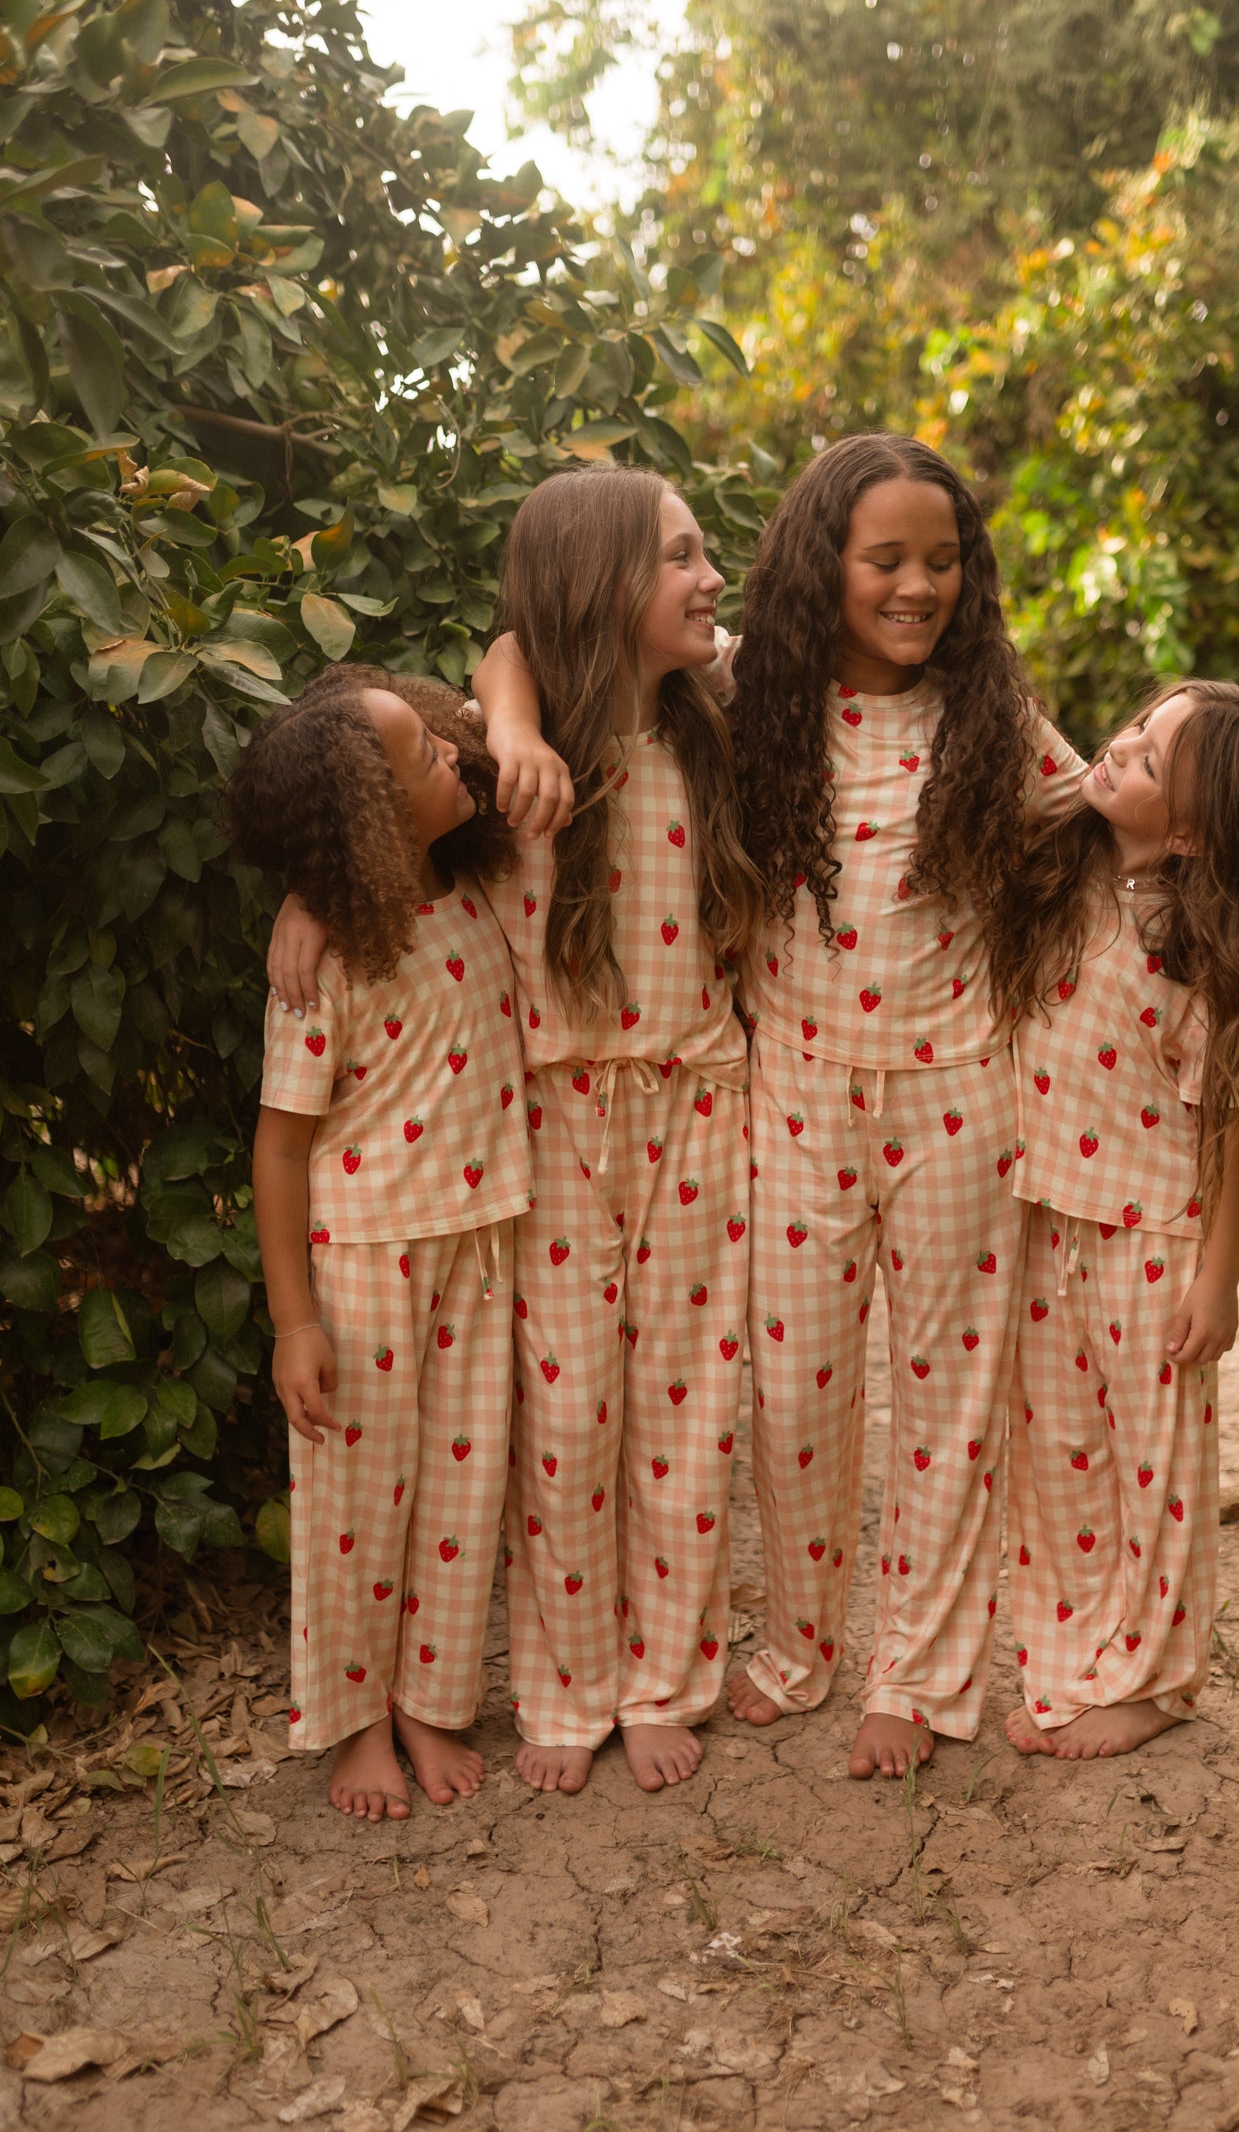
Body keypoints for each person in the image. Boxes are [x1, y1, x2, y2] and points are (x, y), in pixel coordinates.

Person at [471, 434, 1088, 1780]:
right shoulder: (744, 689)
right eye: (886, 559)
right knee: (793, 1400)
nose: (917, 585)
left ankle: (917, 1678)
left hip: (958, 1094)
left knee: (948, 1399)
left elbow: (1104, 815)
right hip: (791, 1094)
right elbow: (524, 645)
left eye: (942, 561)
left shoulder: (993, 721)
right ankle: (801, 1645)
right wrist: (504, 731)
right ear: (823, 567)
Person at [269, 466, 762, 1797]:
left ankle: (663, 1681)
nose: (708, 577)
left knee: (688, 1407)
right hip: (544, 1121)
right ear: (597, 585)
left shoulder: (712, 719)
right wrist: (315, 894)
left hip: (696, 1104)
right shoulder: (499, 771)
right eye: (679, 555)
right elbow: (383, 807)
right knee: (566, 1417)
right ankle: (567, 1686)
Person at [231, 667, 529, 1822]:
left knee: (461, 1489)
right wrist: (294, 1320)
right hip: (366, 1263)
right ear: (365, 816)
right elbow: (279, 1146)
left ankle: (428, 1699)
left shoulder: (475, 882)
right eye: (422, 756)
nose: (452, 751)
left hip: (479, 1242)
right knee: (356, 1503)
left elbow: (510, 716)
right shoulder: (321, 964)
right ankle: (354, 1720)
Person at [994, 679, 1239, 1759]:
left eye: (1146, 757)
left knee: (1154, 1470)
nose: (1116, 748)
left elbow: (1223, 1120)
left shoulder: (1195, 951)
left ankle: (1154, 1680)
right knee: (1057, 1456)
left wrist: (1218, 1278)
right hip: (1043, 1218)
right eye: (1132, 728)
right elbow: (1012, 717)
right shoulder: (1060, 868)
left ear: (1186, 833)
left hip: (1151, 1237)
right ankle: (1068, 1658)